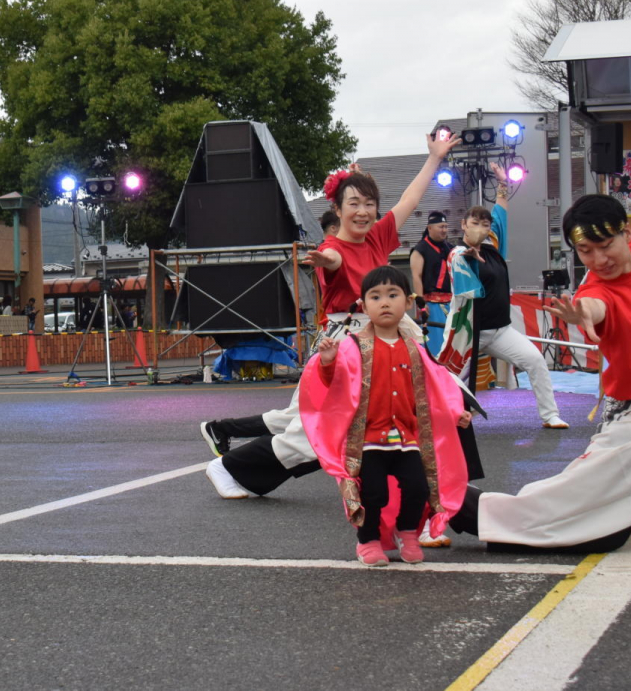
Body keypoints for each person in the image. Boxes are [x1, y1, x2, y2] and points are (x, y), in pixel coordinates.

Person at [450, 95, 631, 553]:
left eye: (605, 246)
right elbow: (593, 310)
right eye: (585, 252)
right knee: (596, 529)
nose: (598, 259)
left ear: (626, 232)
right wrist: (581, 314)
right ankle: (455, 504)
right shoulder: (596, 291)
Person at [199, 131, 462, 502]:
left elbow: (410, 199)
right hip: (347, 346)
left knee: (319, 419)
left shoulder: (378, 236)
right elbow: (335, 259)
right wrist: (327, 261)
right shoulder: (332, 247)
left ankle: (419, 489)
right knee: (320, 429)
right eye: (354, 203)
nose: (363, 211)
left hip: (383, 339)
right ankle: (230, 466)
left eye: (369, 204)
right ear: (337, 210)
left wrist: (434, 158)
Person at [300, 267, 471, 565]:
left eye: (393, 295)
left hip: (407, 437)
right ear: (364, 306)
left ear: (408, 302)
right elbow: (334, 386)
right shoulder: (352, 346)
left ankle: (407, 534)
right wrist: (327, 362)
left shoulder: (416, 349)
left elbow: (438, 387)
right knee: (374, 493)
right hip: (367, 439)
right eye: (375, 297)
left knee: (418, 488)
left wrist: (456, 412)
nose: (385, 303)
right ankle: (367, 541)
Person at [437, 165, 569, 430]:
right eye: (475, 223)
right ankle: (432, 418)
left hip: (499, 331)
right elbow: (460, 264)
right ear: (463, 225)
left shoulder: (494, 248)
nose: (481, 228)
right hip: (466, 333)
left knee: (535, 361)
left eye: (485, 224)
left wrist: (502, 184)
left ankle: (550, 415)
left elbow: (500, 214)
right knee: (444, 375)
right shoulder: (457, 254)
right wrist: (468, 255)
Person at [409, 211, 451, 356]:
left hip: (452, 304)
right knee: (435, 345)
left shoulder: (450, 248)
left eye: (446, 227)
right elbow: (416, 276)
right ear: (430, 228)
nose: (444, 230)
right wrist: (421, 304)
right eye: (441, 227)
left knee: (452, 344)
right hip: (431, 305)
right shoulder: (420, 249)